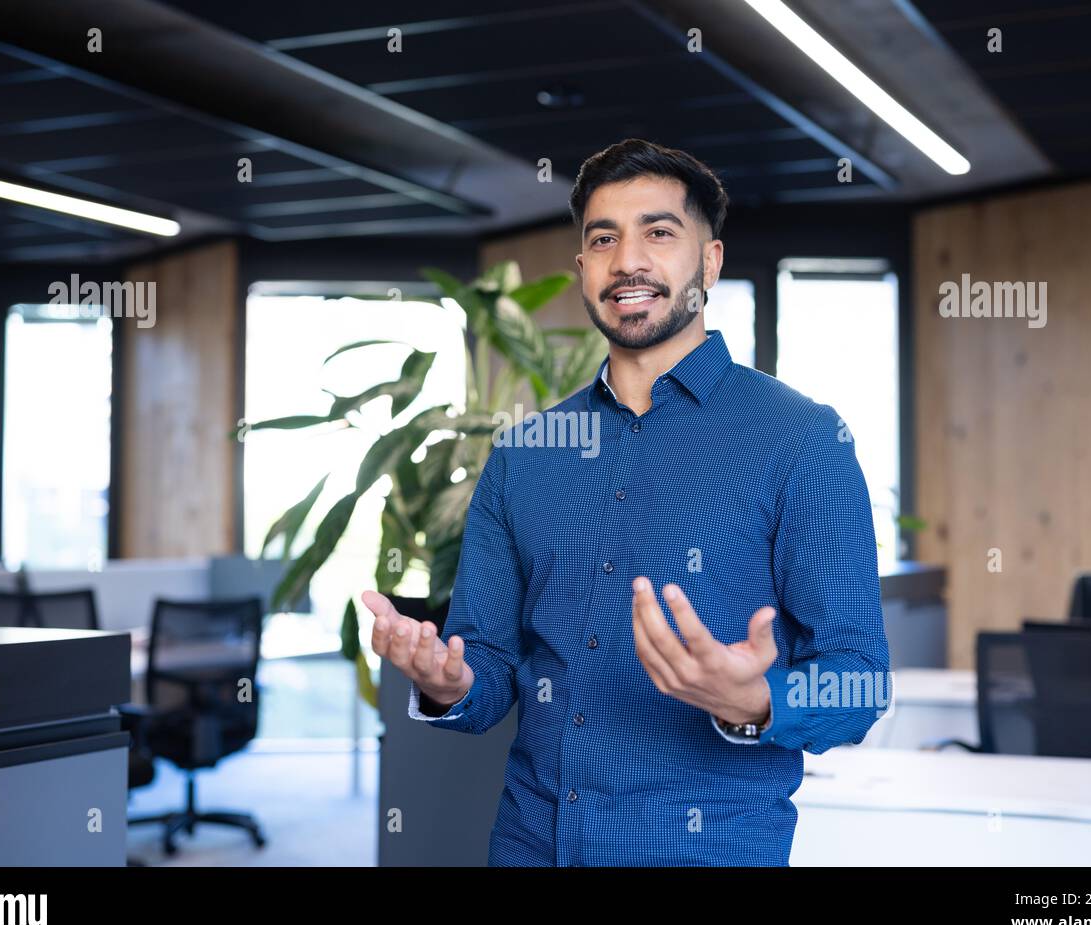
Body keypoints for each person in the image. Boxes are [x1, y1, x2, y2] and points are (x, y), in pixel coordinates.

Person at [362, 138, 891, 866]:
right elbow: (485, 663)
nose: (628, 260)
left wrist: (756, 699)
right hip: (527, 846)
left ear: (708, 261)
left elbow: (860, 677)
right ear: (582, 268)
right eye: (603, 238)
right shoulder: (524, 455)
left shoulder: (804, 440)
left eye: (659, 233)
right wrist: (447, 682)